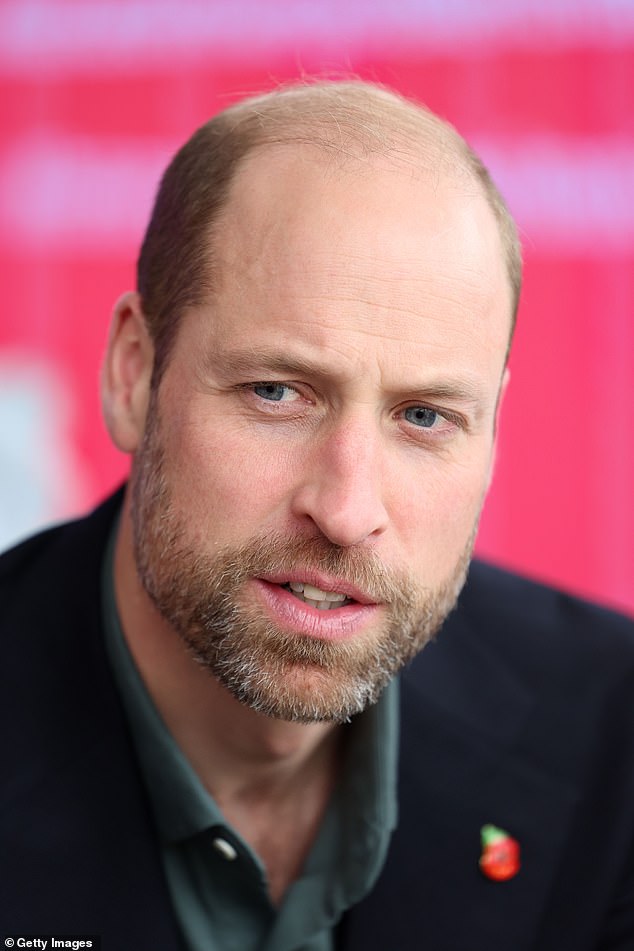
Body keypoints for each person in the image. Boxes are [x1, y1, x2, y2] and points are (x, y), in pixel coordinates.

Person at [2, 81, 633, 951]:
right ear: (135, 376)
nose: (345, 511)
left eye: (425, 417)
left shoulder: (612, 737)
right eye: (277, 392)